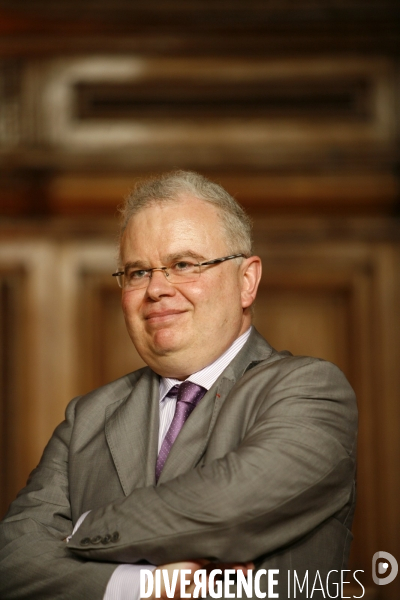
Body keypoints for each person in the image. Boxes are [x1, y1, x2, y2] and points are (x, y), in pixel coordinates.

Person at [0, 170, 357, 600]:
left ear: (247, 282)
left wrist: (79, 533)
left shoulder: (311, 391)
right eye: (136, 273)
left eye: (183, 265)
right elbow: (12, 560)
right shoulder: (86, 418)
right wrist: (140, 586)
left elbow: (227, 509)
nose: (156, 289)